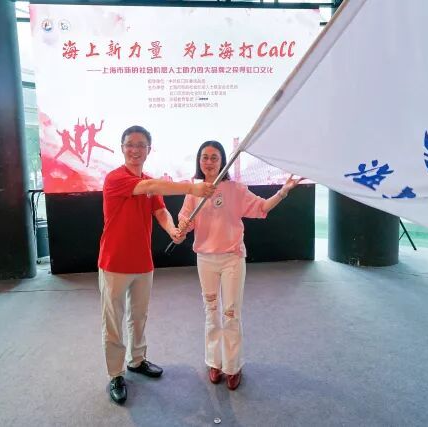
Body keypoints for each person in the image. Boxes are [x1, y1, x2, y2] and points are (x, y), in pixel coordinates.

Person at [98, 126, 215, 405]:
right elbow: (149, 189)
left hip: (143, 263)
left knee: (139, 316)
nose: (135, 150)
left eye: (141, 145)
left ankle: (136, 360)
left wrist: (173, 230)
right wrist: (192, 188)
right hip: (114, 262)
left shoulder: (149, 181)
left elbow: (160, 210)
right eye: (130, 144)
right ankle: (115, 374)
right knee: (113, 321)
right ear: (122, 147)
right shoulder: (115, 178)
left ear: (149, 150)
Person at [177, 140, 301, 390]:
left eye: (214, 157)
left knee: (231, 314)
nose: (209, 162)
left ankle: (233, 366)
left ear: (223, 161)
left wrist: (283, 191)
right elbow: (184, 223)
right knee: (211, 312)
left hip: (232, 259)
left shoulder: (235, 189)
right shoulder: (194, 190)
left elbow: (262, 207)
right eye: (204, 157)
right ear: (199, 161)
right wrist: (181, 228)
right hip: (205, 260)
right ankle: (214, 362)